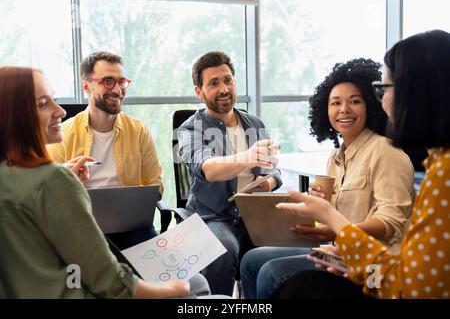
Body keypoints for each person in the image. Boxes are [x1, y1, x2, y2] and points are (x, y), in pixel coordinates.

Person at [274, 29, 450, 299]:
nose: (384, 101)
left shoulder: (435, 172)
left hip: (377, 269)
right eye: (336, 103)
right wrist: (324, 214)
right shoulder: (337, 156)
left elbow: (406, 284)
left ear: (419, 93)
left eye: (384, 89)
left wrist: (335, 224)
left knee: (290, 282)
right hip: (365, 263)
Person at [0, 66, 189, 298]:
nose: (59, 110)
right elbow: (111, 283)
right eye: (43, 103)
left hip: (119, 239)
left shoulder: (15, 177)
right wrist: (173, 291)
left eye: (54, 100)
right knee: (192, 288)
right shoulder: (55, 178)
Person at [240, 58, 415, 299]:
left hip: (372, 265)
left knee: (272, 272)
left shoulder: (386, 152)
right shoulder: (336, 156)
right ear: (326, 109)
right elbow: (333, 216)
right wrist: (318, 208)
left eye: (355, 101)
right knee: (251, 260)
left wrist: (335, 231)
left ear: (372, 106)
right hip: (337, 252)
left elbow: (391, 223)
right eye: (336, 103)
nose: (344, 109)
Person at [177, 51, 282, 296]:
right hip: (214, 216)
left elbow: (274, 171)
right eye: (214, 83)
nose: (224, 88)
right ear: (199, 91)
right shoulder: (190, 129)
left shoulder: (254, 124)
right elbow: (207, 168)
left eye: (228, 80)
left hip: (255, 214)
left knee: (286, 245)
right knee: (222, 247)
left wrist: (269, 182)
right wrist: (247, 157)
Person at [46, 52, 163, 249]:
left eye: (121, 82)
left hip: (132, 229)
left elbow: (155, 184)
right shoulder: (62, 134)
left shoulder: (139, 130)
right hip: (79, 227)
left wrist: (142, 199)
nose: (117, 90)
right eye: (108, 81)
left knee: (158, 269)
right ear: (86, 86)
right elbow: (47, 195)